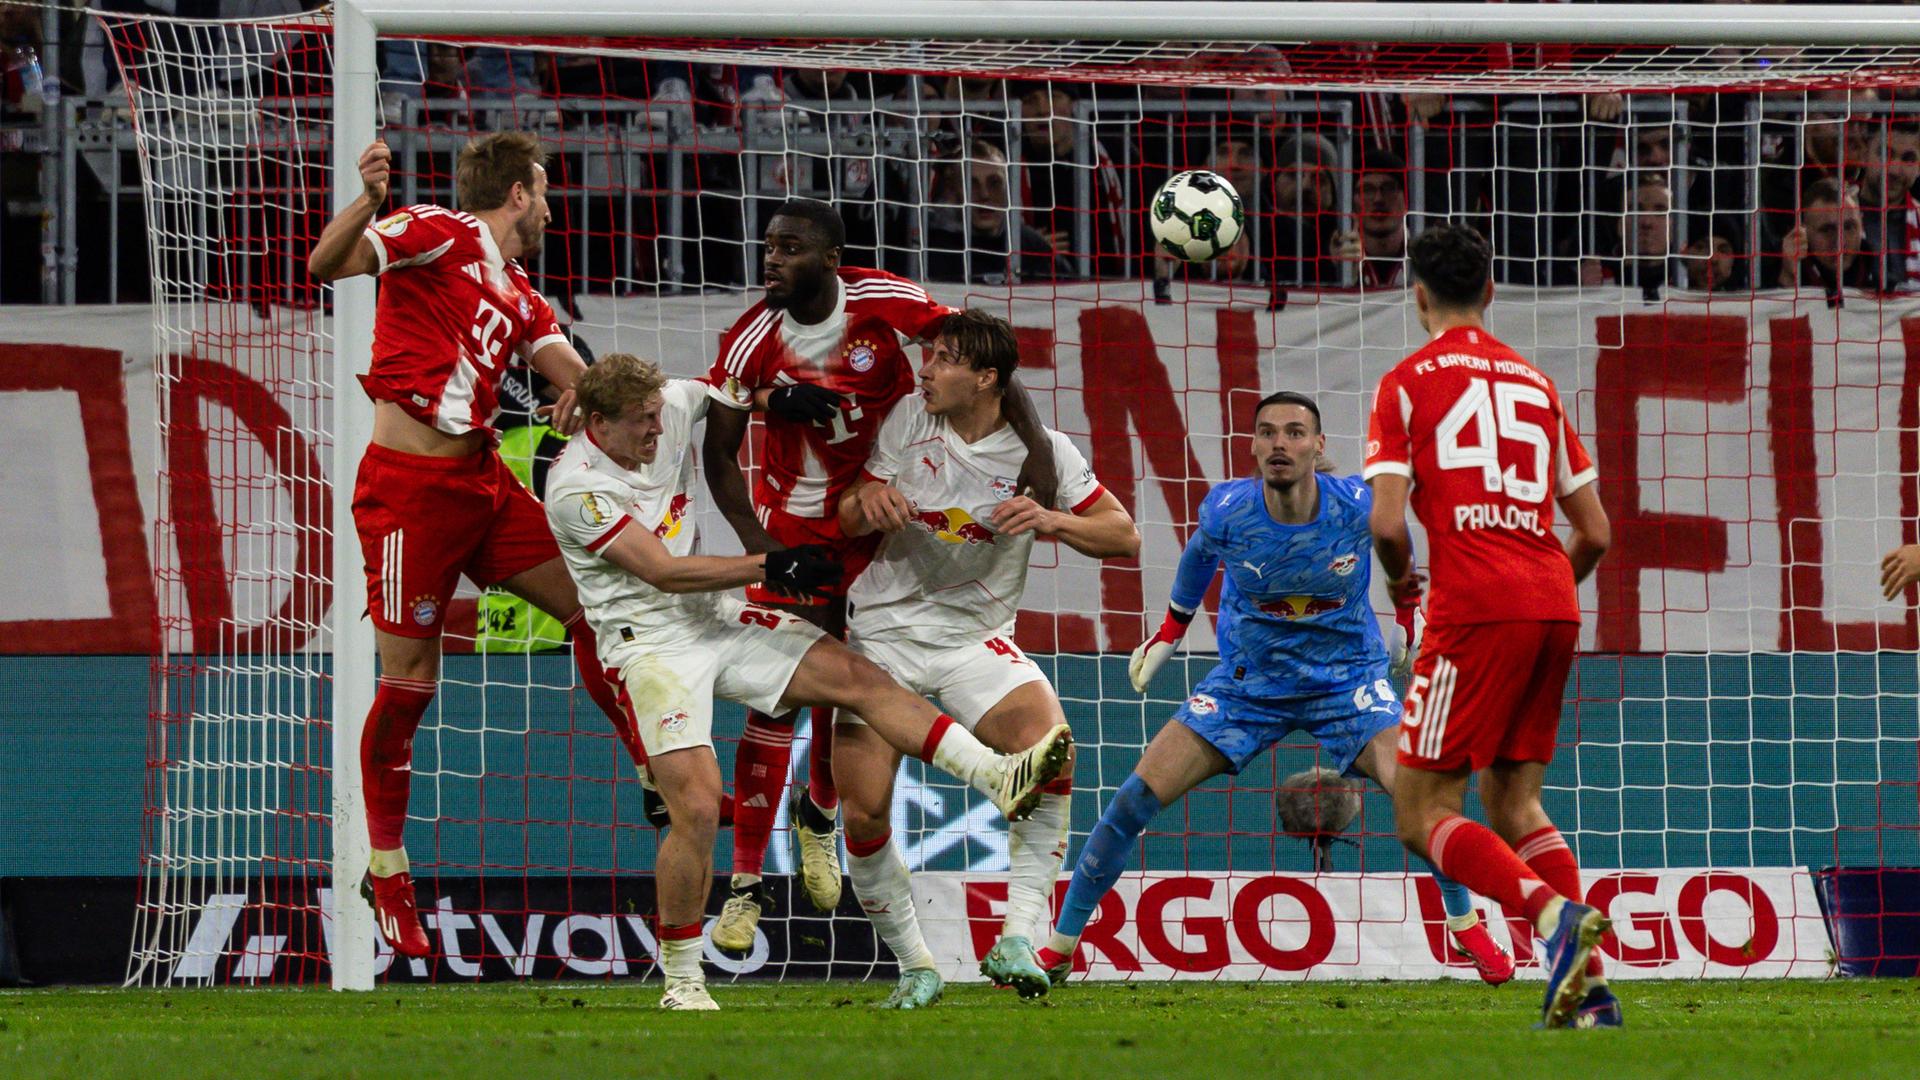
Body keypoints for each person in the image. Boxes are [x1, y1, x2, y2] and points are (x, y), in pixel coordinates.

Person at [544, 352, 1073, 1010]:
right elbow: (662, 572)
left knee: (858, 675)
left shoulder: (672, 401)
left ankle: (996, 776)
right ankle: (682, 977)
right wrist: (771, 565)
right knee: (700, 806)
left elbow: (727, 391)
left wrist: (776, 399)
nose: (658, 431)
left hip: (715, 616)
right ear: (597, 422)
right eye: (641, 423)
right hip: (650, 648)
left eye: (659, 416)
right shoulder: (575, 487)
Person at [1036, 391, 1516, 988]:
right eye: (1267, 433)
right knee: (1133, 799)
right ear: (1254, 446)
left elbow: (1400, 555)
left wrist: (1410, 621)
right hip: (1248, 686)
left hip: (1349, 683)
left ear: (1318, 447)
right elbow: (1197, 559)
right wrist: (1169, 632)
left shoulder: (1358, 507)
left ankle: (1463, 922)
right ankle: (1058, 948)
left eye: (1294, 433)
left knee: (1425, 801)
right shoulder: (1227, 510)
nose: (1279, 444)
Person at [306, 133, 648, 959]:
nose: (552, 206)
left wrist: (597, 398)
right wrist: (369, 199)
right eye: (545, 189)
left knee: (595, 605)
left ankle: (650, 765)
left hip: (484, 484)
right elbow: (326, 265)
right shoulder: (438, 230)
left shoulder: (521, 290)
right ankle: (387, 869)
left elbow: (572, 372)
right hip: (408, 496)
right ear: (521, 194)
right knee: (411, 683)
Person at [700, 197, 1060, 952]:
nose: (770, 258)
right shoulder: (749, 340)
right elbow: (718, 453)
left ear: (830, 260)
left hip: (876, 514)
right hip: (793, 530)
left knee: (850, 676)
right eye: (768, 246)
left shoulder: (882, 300)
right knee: (774, 700)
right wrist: (760, 545)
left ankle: (823, 815)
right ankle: (743, 887)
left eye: (788, 247)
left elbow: (984, 358)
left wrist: (1036, 454)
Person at [835, 310, 1140, 1007]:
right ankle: (916, 964)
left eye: (944, 359)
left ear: (986, 377)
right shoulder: (910, 419)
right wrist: (868, 499)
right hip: (880, 636)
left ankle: (1017, 938)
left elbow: (1122, 537)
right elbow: (849, 512)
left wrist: (1054, 519)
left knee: (1052, 752)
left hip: (973, 639)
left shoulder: (1046, 453)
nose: (928, 369)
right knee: (865, 813)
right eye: (930, 355)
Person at [1365, 222, 1617, 1029]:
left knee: (1421, 812)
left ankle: (1551, 917)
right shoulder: (1536, 385)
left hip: (1475, 607)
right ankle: (1588, 991)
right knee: (1517, 805)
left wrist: (1405, 581)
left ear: (1419, 295)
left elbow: (1386, 524)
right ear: (1491, 291)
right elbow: (1599, 532)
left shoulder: (1407, 382)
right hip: (1554, 600)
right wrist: (1544, 595)